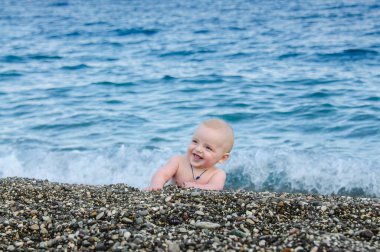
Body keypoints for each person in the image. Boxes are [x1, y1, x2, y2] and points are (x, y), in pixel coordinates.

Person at [147, 118, 234, 191]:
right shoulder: (178, 161)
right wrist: (156, 184)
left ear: (223, 158)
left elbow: (215, 187)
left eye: (208, 148)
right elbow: (162, 174)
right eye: (195, 141)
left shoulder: (217, 174)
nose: (198, 149)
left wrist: (196, 187)